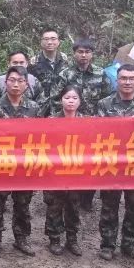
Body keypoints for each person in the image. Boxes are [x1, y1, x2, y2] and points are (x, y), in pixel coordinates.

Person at [95, 65, 134, 262]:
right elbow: (99, 131)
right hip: (112, 162)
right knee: (109, 205)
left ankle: (130, 244)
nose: (127, 82)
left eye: (131, 79)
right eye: (123, 78)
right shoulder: (104, 104)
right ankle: (107, 244)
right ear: (117, 80)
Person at [50, 38, 113, 211]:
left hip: (91, 127)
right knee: (69, 161)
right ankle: (66, 193)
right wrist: (60, 121)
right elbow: (55, 99)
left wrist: (99, 123)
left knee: (90, 162)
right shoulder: (65, 74)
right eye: (80, 52)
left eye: (87, 52)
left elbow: (107, 99)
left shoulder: (101, 74)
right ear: (74, 54)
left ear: (92, 54)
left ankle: (87, 199)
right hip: (68, 126)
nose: (84, 55)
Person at [0, 67, 41, 256]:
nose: (16, 84)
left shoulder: (34, 108)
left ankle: (21, 239)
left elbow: (39, 136)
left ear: (26, 84)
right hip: (0, 161)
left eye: (20, 81)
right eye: (12, 80)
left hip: (24, 164)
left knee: (23, 203)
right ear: (5, 82)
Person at [44, 86, 84, 257]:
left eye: (74, 98)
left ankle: (72, 239)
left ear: (80, 101)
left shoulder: (87, 122)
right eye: (67, 98)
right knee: (54, 205)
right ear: (61, 100)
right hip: (55, 171)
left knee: (73, 206)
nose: (70, 101)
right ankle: (54, 239)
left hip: (77, 170)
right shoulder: (51, 121)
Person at [28, 27, 68, 102]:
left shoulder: (66, 60)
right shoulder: (33, 63)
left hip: (62, 104)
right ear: (41, 42)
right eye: (46, 39)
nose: (49, 42)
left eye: (53, 39)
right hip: (41, 105)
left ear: (58, 42)